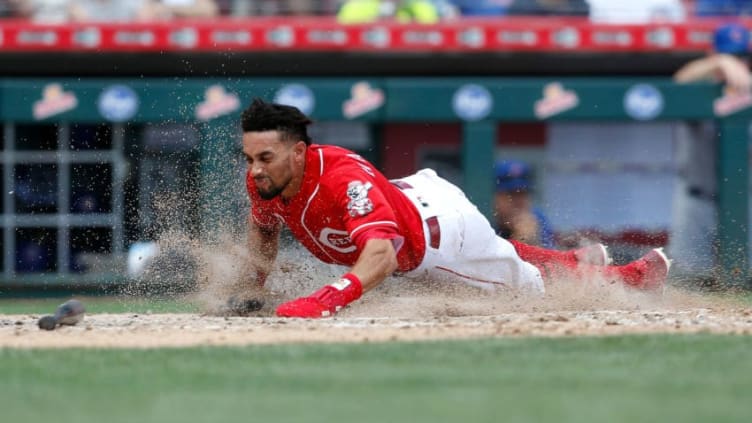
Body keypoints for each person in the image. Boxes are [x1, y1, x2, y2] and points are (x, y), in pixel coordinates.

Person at [234, 99, 671, 319]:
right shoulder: (269, 180)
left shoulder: (341, 179)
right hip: (416, 199)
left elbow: (382, 256)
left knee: (531, 290)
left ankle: (629, 279)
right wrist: (254, 286)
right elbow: (264, 231)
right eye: (250, 158)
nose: (254, 170)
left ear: (298, 153)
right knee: (504, 254)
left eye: (265, 158)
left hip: (440, 241)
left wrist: (327, 299)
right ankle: (573, 259)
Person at [669, 22, 751, 275]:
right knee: (687, 279)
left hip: (744, 202)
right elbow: (678, 82)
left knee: (743, 279)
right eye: (730, 56)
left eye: (742, 57)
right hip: (698, 199)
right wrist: (719, 63)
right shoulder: (697, 88)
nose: (737, 63)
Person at [493, 160, 555, 249]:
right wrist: (520, 242)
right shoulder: (481, 221)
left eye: (523, 194)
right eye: (511, 194)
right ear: (493, 196)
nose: (519, 202)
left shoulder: (538, 219)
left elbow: (552, 260)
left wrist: (532, 241)